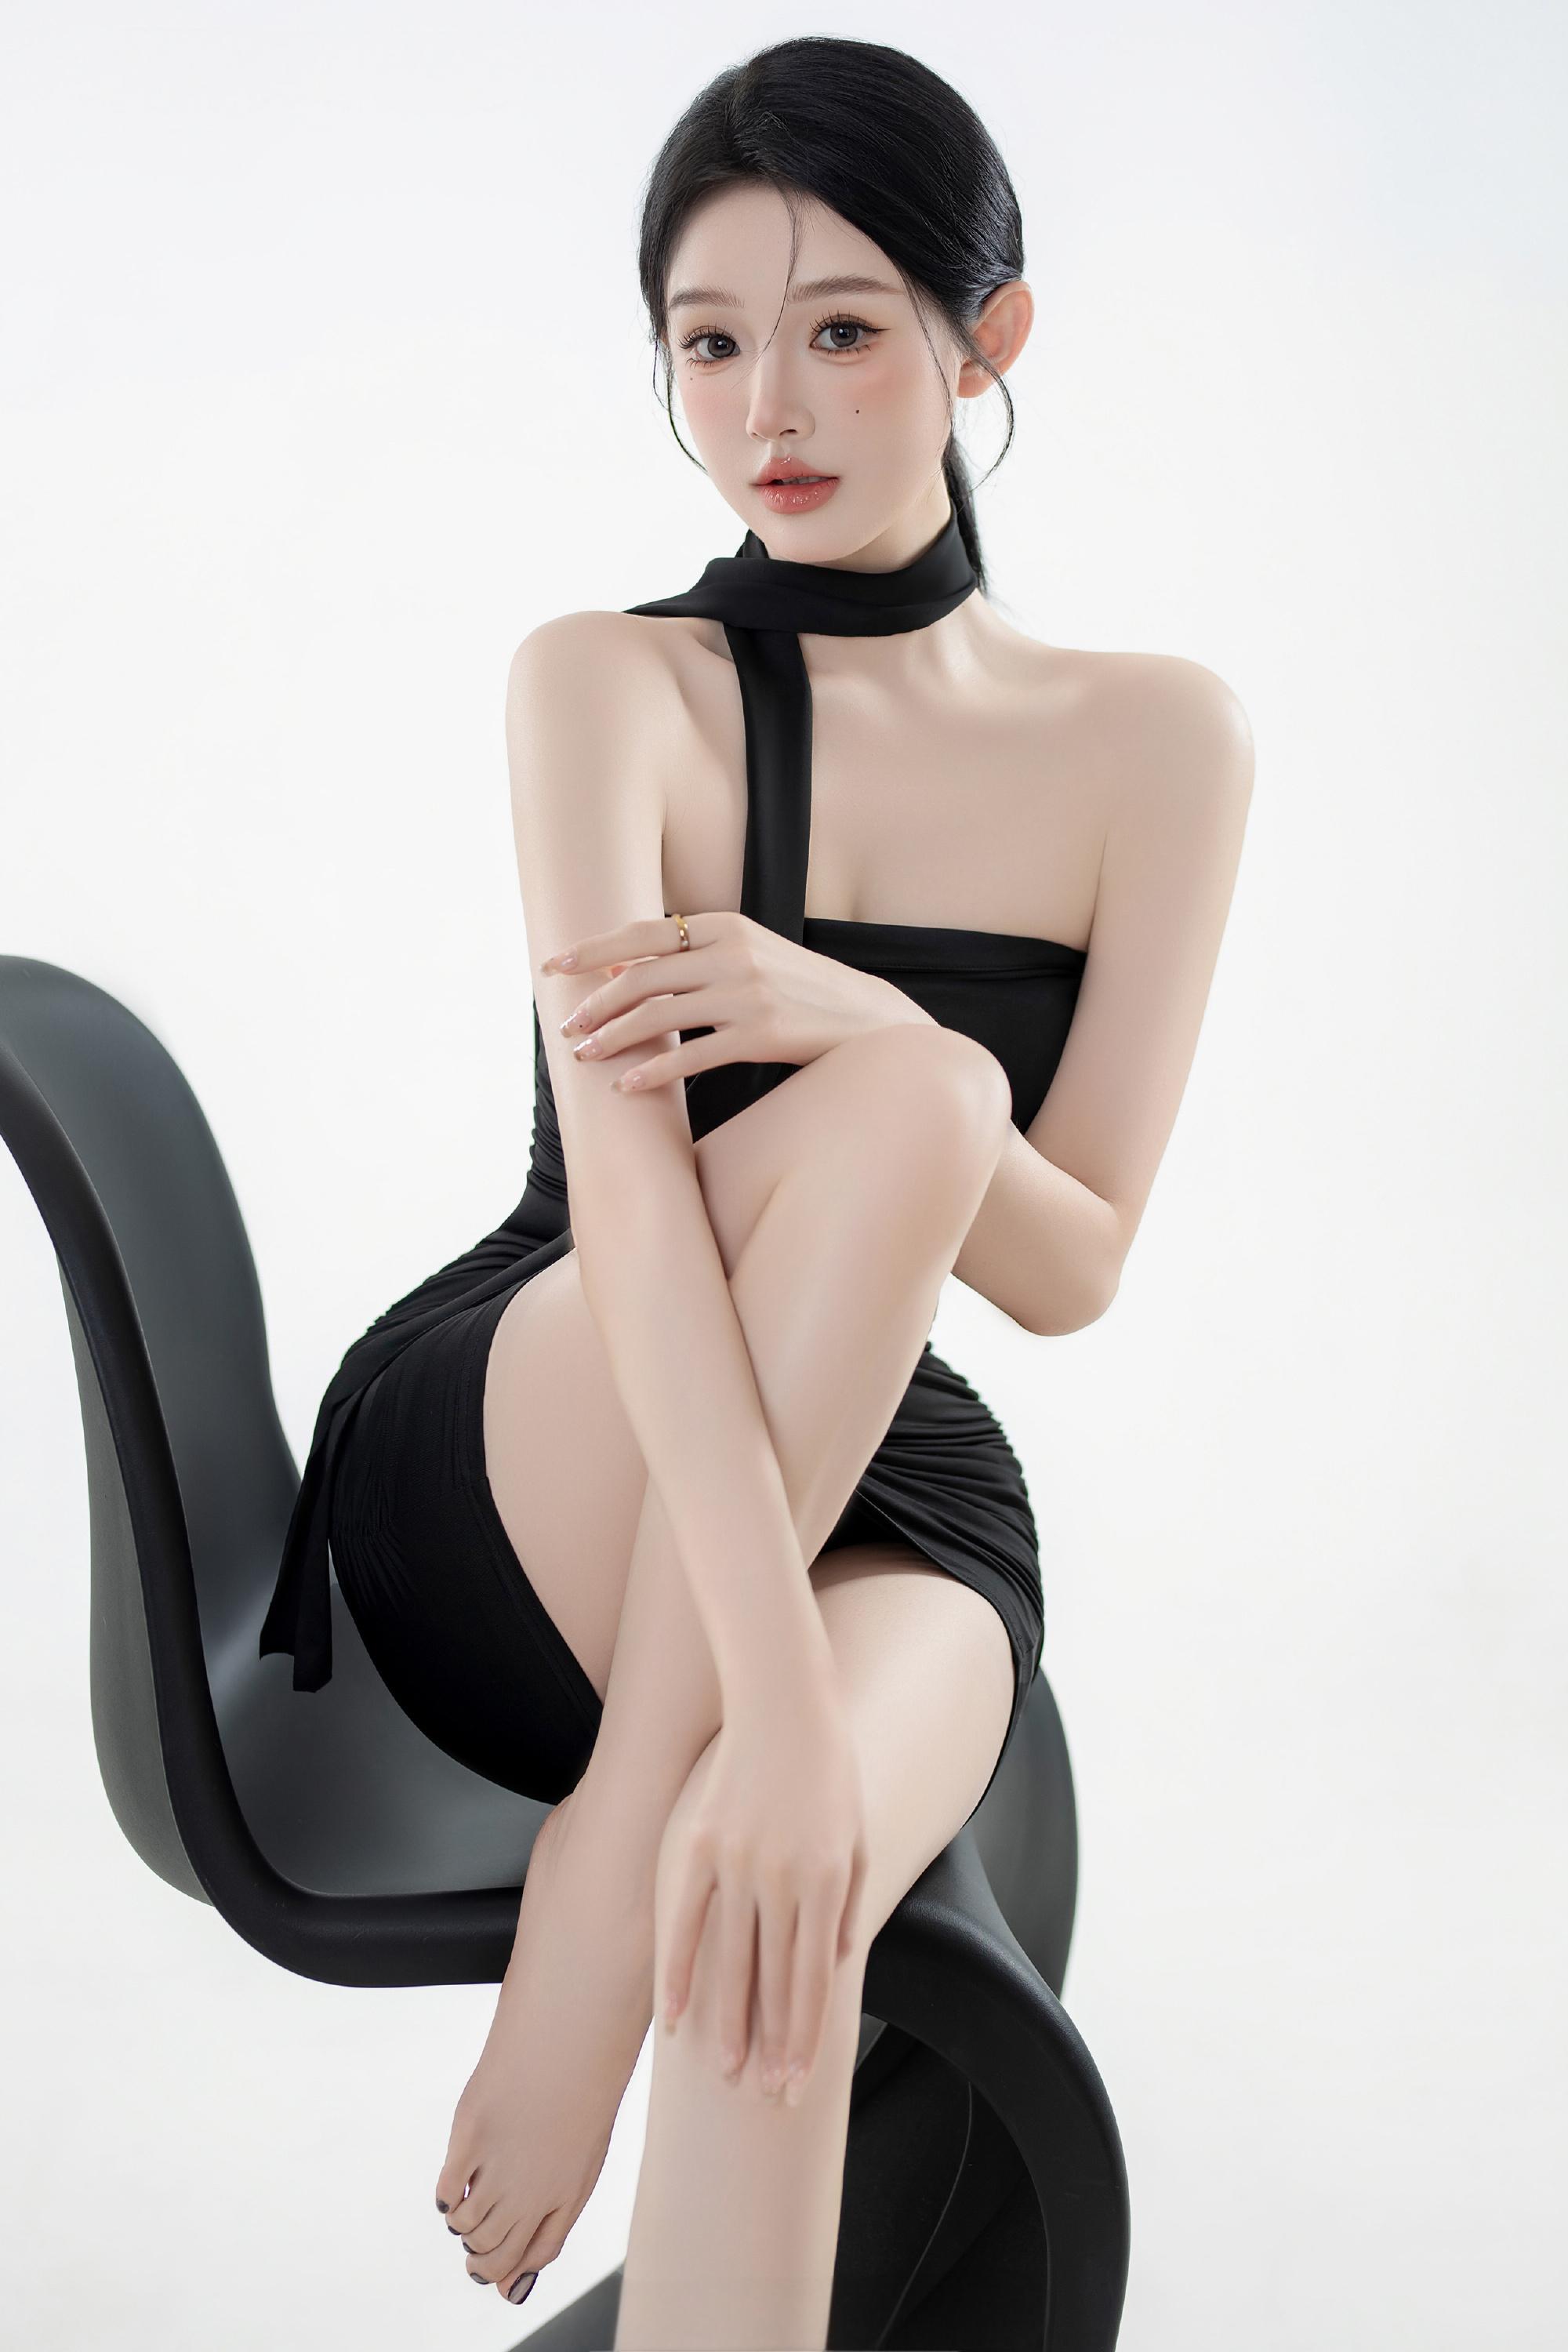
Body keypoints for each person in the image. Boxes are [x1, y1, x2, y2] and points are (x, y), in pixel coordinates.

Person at [258, 33, 1254, 2348]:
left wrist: (854, 1010)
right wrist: (734, 1733)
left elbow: (1077, 1266)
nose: (766, 409)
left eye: (843, 332)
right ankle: (624, 1843)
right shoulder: (608, 686)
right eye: (708, 345)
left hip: (885, 1469)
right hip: (549, 1410)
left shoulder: (1156, 741)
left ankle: (670, 1876)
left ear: (988, 340)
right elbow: (632, 1209)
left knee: (776, 1909)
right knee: (913, 1111)